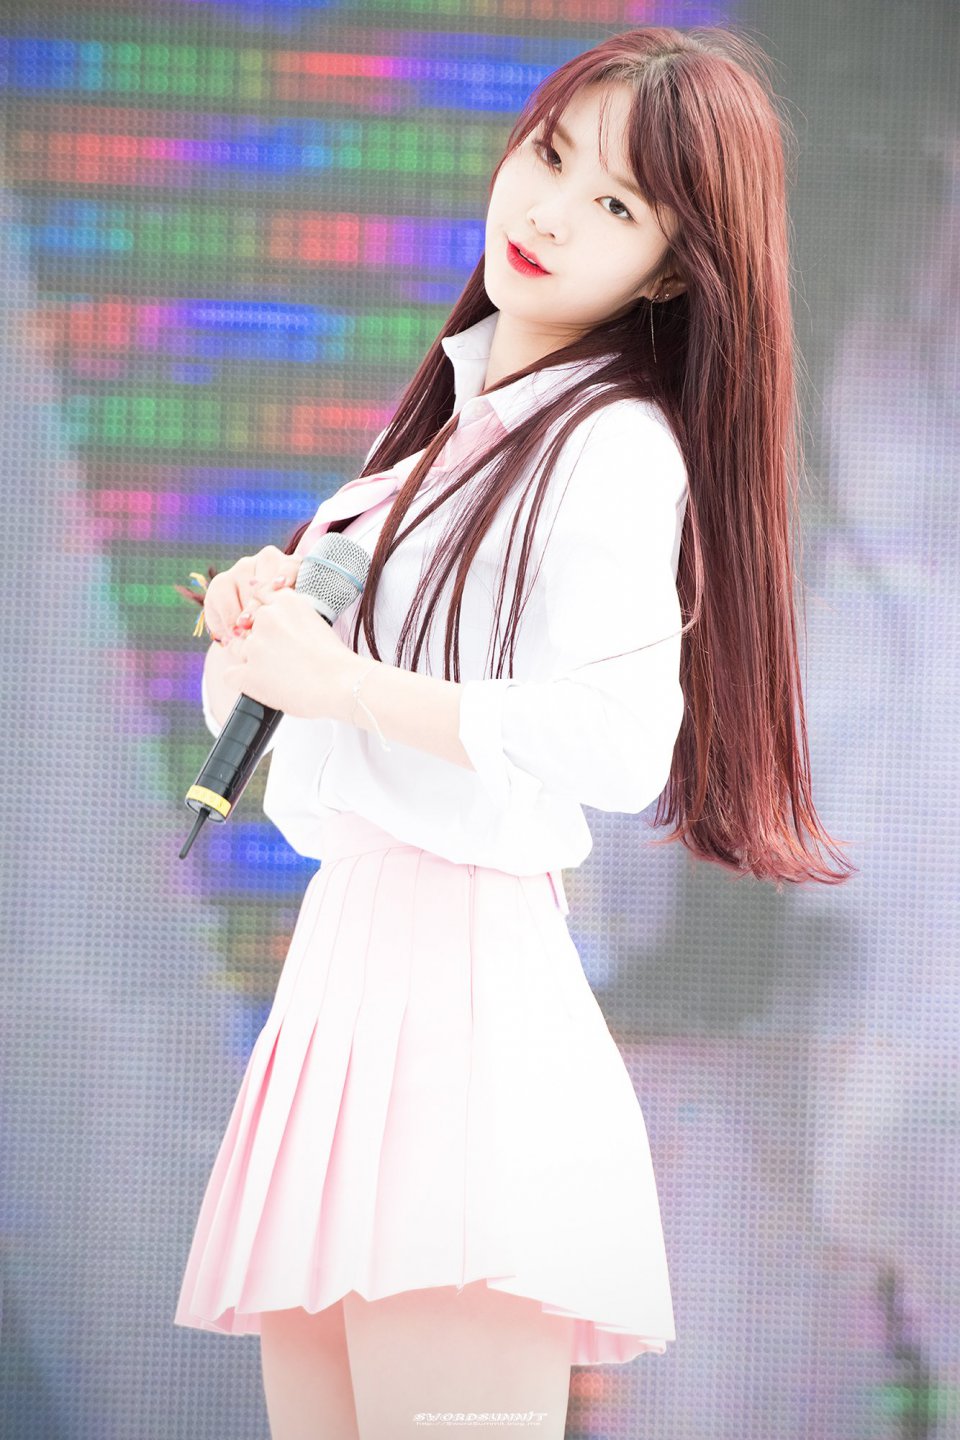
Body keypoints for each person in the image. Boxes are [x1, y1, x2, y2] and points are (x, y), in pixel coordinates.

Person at [173, 24, 854, 1440]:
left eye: (614, 202)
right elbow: (309, 770)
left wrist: (344, 686)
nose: (548, 213)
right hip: (342, 994)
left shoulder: (611, 444)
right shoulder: (425, 451)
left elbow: (617, 742)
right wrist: (254, 649)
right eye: (548, 157)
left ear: (670, 268)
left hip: (461, 1008)